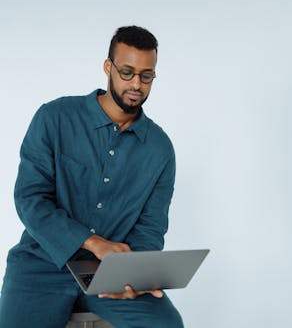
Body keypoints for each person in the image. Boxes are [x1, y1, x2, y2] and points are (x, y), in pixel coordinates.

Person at [0, 26, 184, 327]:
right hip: (40, 262)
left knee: (167, 325)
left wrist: (135, 276)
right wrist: (91, 241)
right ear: (108, 67)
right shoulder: (55, 117)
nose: (136, 83)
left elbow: (150, 227)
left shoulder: (160, 149)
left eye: (146, 75)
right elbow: (30, 200)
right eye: (127, 72)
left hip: (112, 272)